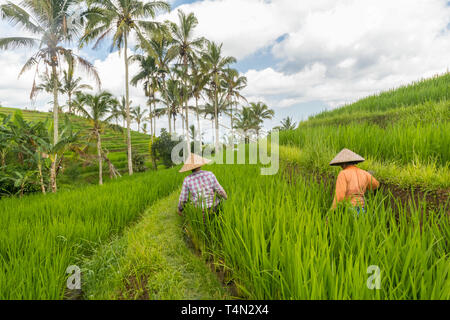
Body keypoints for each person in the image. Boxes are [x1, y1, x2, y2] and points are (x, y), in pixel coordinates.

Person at [330, 149, 380, 214]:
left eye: (341, 164)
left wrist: (331, 212)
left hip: (348, 209)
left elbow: (340, 196)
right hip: (361, 209)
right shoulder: (364, 173)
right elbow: (376, 186)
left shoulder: (343, 174)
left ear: (343, 164)